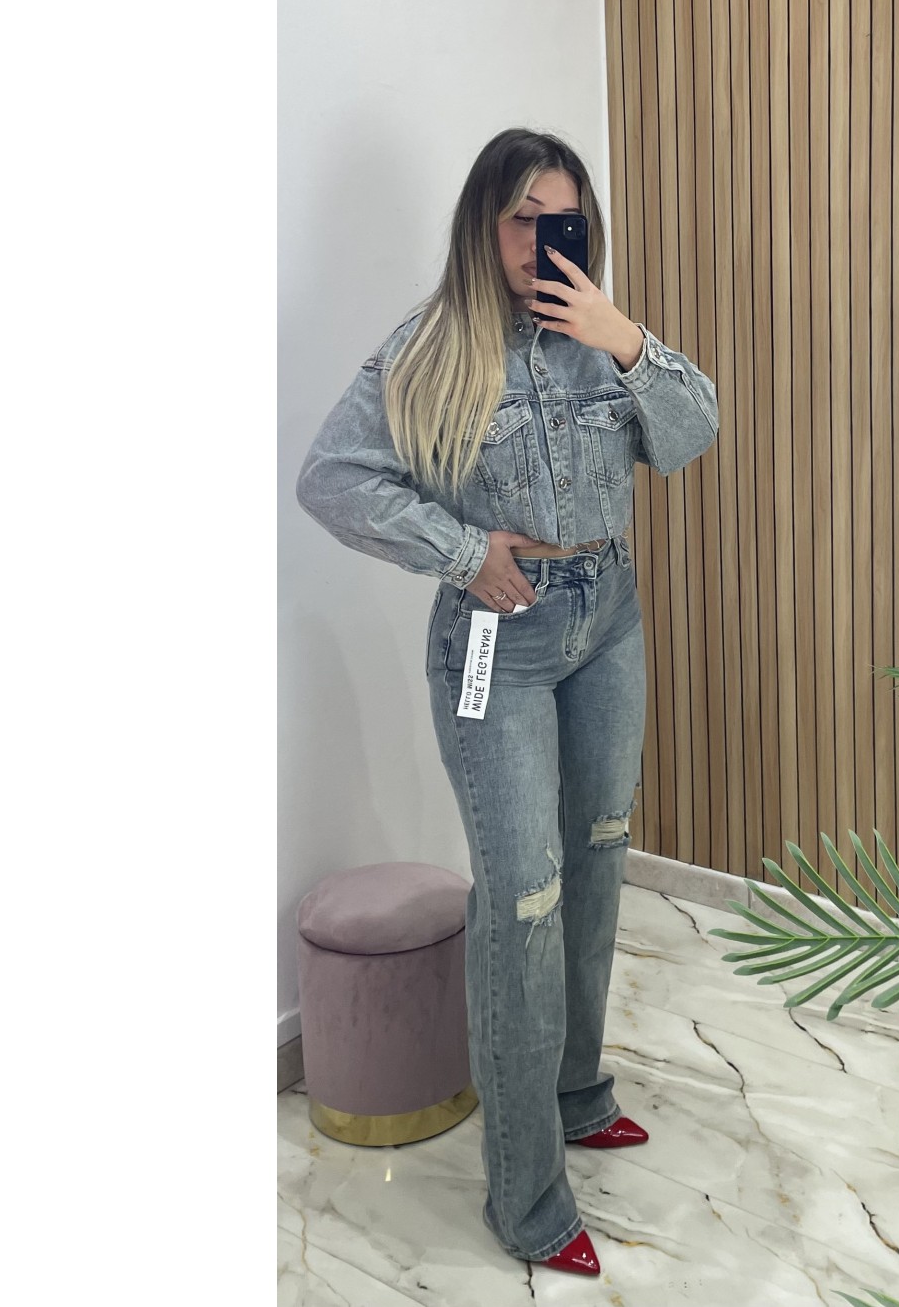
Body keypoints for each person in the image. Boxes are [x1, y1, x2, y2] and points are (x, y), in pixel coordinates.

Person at [296, 128, 719, 1276]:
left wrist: (626, 339)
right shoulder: (431, 347)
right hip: (502, 640)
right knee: (523, 899)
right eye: (525, 216)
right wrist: (461, 548)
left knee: (597, 859)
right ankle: (527, 1195)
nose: (544, 238)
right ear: (485, 225)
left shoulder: (603, 341)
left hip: (610, 621)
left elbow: (694, 436)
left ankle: (577, 1093)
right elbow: (331, 477)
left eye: (563, 217)